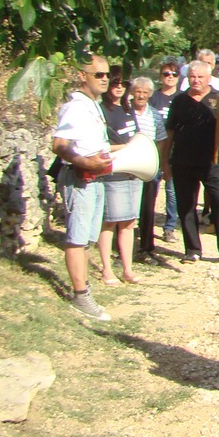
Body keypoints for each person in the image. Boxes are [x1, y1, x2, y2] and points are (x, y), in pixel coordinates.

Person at [51, 55, 116, 320]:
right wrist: (85, 161)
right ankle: (81, 295)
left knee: (87, 236)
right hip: (81, 177)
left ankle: (84, 288)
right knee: (77, 238)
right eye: (98, 74)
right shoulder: (76, 107)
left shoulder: (92, 105)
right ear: (83, 76)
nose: (104, 79)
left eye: (107, 74)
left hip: (95, 176)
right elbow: (59, 144)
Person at [163, 60, 219, 264]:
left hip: (213, 161)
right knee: (186, 206)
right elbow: (170, 133)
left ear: (209, 78)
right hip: (183, 160)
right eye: (192, 76)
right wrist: (165, 162)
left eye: (200, 77)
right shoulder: (179, 101)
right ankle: (192, 249)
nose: (196, 80)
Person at [98, 70, 143, 286]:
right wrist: (125, 148)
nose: (118, 87)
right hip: (114, 170)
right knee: (109, 222)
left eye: (123, 83)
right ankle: (107, 270)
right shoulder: (101, 111)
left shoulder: (127, 108)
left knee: (129, 222)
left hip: (133, 170)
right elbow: (99, 144)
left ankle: (127, 269)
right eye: (114, 83)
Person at [129, 76, 166, 262]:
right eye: (138, 92)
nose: (141, 96)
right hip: (128, 166)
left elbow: (160, 141)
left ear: (150, 94)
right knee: (127, 209)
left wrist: (158, 165)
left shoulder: (155, 115)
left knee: (147, 209)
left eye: (145, 92)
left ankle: (146, 247)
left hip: (149, 167)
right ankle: (122, 250)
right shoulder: (126, 112)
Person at [148, 61, 180, 242]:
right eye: (166, 74)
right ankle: (146, 224)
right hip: (154, 150)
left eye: (174, 74)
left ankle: (169, 227)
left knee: (172, 191)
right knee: (151, 188)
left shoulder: (181, 98)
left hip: (174, 151)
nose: (170, 77)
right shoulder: (153, 98)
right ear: (160, 76)